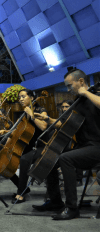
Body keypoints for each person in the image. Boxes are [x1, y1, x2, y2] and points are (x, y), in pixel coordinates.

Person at [32, 69, 100, 220]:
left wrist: (86, 93)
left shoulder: (95, 95)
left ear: (81, 82)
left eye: (70, 86)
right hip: (84, 147)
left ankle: (72, 208)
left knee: (65, 158)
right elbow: (65, 124)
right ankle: (55, 201)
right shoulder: (77, 103)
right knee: (51, 158)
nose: (68, 90)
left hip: (97, 147)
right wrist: (48, 119)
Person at [0, 89, 48, 203]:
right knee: (3, 161)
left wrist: (32, 115)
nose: (21, 99)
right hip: (26, 146)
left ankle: (21, 193)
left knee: (24, 159)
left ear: (32, 98)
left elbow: (44, 126)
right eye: (19, 97)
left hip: (39, 146)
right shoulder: (23, 113)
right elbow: (17, 131)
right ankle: (23, 187)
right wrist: (5, 131)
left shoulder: (40, 110)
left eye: (23, 96)